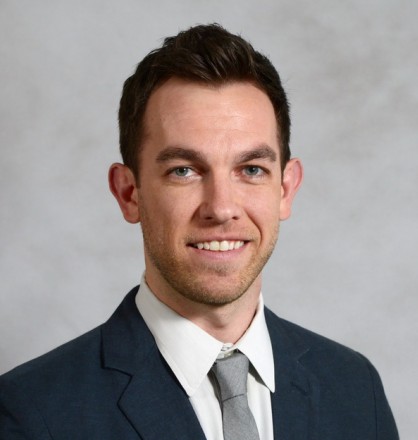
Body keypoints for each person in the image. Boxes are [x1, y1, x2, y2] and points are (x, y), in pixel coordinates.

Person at [0, 24, 398, 439]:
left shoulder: (355, 390)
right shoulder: (32, 413)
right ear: (129, 193)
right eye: (184, 171)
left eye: (251, 170)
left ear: (285, 189)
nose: (221, 208)